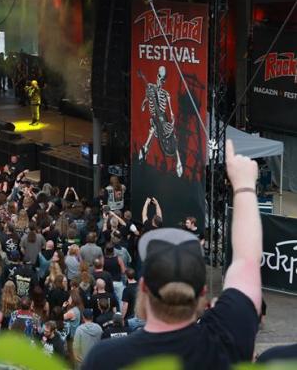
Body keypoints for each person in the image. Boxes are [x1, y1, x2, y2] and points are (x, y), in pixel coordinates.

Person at [82, 140, 262, 370]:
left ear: (143, 288)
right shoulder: (225, 341)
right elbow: (247, 262)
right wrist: (244, 186)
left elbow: (247, 262)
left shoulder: (105, 358)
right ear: (202, 295)